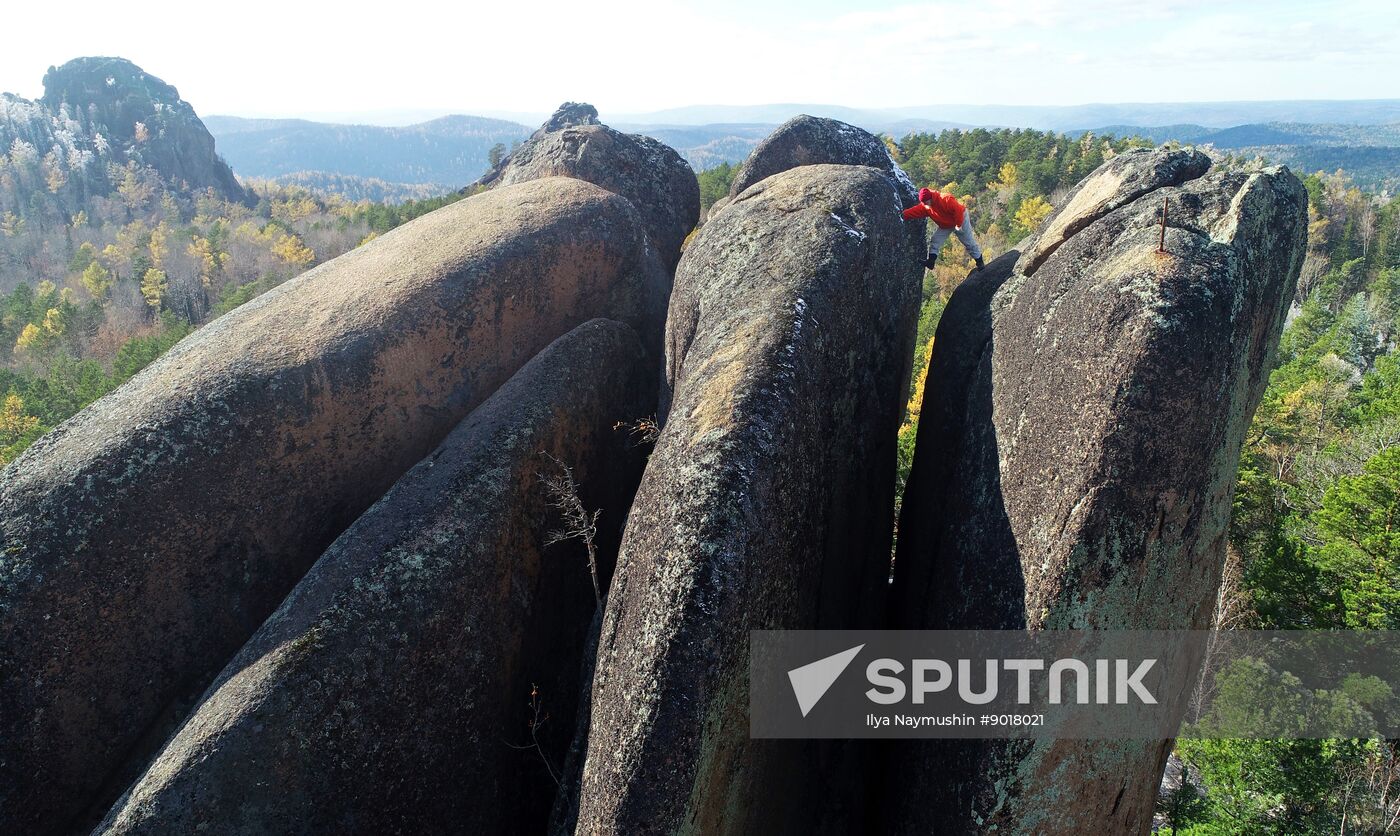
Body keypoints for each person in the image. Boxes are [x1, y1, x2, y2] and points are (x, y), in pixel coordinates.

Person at [902, 187, 984, 271]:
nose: (925, 204)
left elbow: (958, 211)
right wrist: (902, 215)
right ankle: (930, 263)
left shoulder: (945, 199)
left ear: (931, 198)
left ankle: (980, 263)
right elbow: (914, 212)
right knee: (935, 240)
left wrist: (958, 225)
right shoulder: (926, 206)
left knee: (969, 242)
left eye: (926, 202)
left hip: (960, 219)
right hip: (946, 225)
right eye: (923, 203)